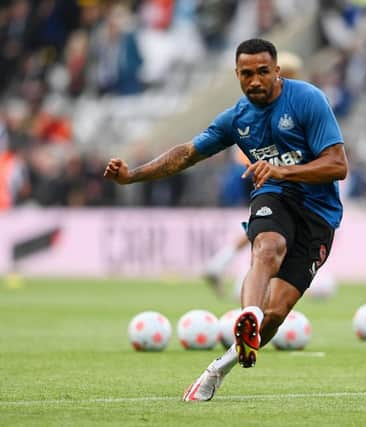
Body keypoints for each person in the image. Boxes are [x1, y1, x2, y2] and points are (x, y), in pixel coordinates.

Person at [103, 38, 348, 401]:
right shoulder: (237, 118)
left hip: (318, 213)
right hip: (274, 196)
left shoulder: (307, 99)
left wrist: (284, 171)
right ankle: (246, 314)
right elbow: (186, 154)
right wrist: (132, 175)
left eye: (263, 72)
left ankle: (218, 369)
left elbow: (338, 165)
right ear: (237, 75)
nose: (255, 81)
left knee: (277, 313)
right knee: (268, 246)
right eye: (246, 74)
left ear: (276, 71)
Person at [203, 50, 304, 297]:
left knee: (261, 227)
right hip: (264, 171)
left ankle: (222, 263)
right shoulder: (282, 102)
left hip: (255, 169)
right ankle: (242, 279)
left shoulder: (265, 103)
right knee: (274, 228)